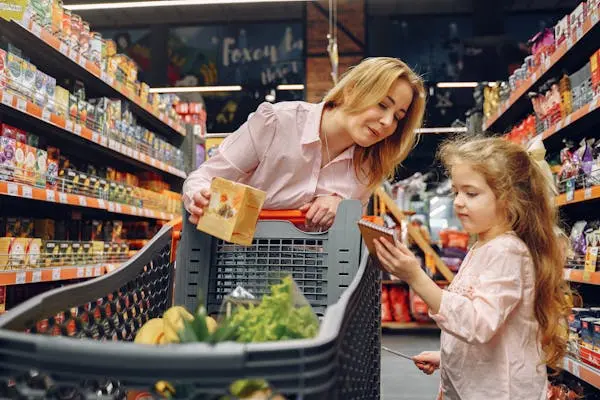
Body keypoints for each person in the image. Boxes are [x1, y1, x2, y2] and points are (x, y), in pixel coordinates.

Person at [374, 136, 571, 399]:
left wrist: (415, 277)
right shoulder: (483, 246)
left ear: (509, 200)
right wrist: (447, 358)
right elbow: (488, 330)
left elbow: (478, 323)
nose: (457, 201)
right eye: (456, 191)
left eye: (471, 193)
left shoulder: (507, 252)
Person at [183, 57, 426, 231]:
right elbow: (203, 177)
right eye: (383, 105)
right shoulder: (277, 123)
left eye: (398, 117)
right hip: (233, 266)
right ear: (352, 91)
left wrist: (342, 209)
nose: (387, 122)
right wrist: (200, 198)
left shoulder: (368, 167)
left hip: (311, 281)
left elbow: (347, 242)